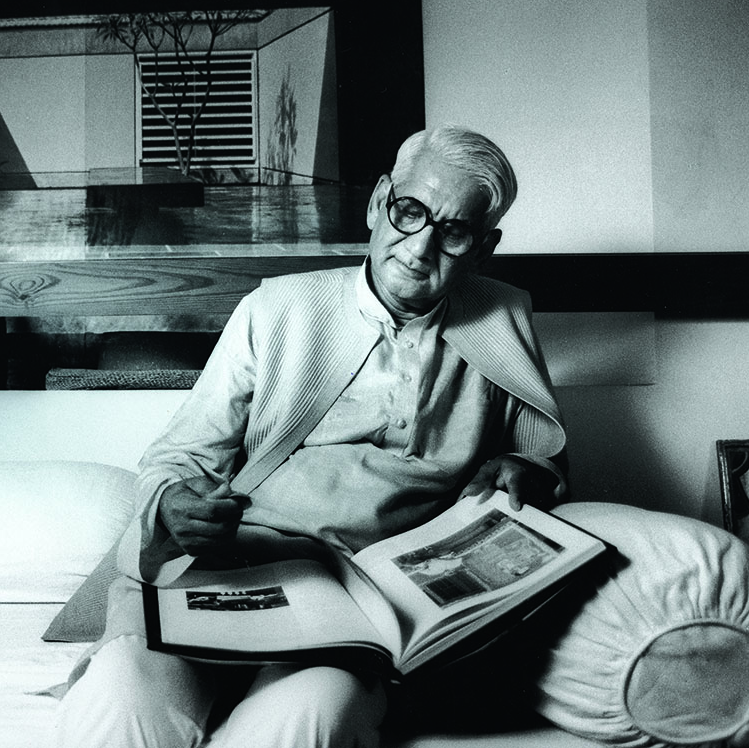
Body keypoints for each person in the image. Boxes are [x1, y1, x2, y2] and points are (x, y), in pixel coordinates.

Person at [56, 124, 568, 748]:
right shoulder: (277, 308)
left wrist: (525, 467)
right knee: (122, 695)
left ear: (481, 248)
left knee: (309, 715)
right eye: (410, 211)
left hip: (364, 599)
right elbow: (180, 455)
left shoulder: (504, 318)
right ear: (381, 202)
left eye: (453, 231)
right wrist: (174, 503)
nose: (419, 247)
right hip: (232, 568)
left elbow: (543, 457)